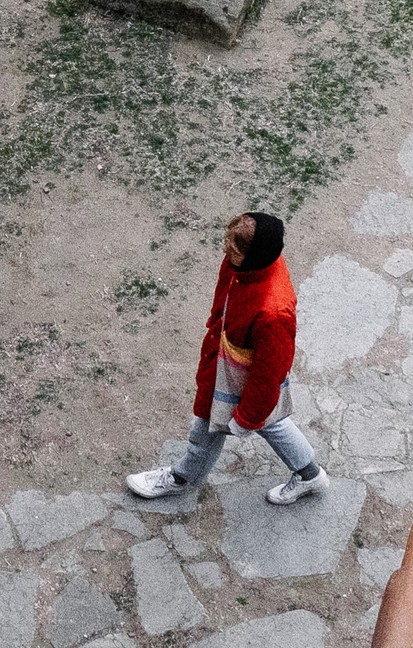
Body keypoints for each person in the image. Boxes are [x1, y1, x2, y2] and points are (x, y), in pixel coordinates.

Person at [123, 211, 329, 507]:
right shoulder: (255, 265)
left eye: (232, 249)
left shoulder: (273, 314)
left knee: (211, 421)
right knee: (269, 422)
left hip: (238, 372)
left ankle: (183, 478)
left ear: (253, 256)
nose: (224, 251)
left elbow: (267, 376)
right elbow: (229, 287)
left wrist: (246, 418)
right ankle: (309, 474)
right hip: (234, 357)